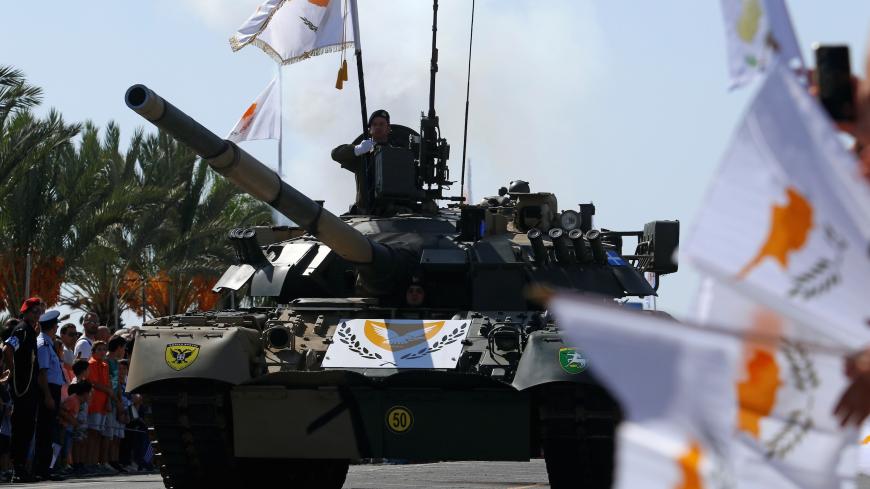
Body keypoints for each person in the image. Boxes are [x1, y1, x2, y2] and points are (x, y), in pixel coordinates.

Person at [2, 297, 44, 482]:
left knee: (27, 428)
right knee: (21, 428)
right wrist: (11, 372)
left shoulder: (29, 331)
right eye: (34, 311)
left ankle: (21, 467)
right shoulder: (22, 329)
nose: (37, 315)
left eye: (39, 311)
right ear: (25, 312)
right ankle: (17, 469)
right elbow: (8, 348)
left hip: (29, 387)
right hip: (22, 388)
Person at [330, 109, 394, 212]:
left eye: (382, 124)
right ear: (370, 130)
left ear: (388, 128)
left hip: (390, 211)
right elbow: (335, 154)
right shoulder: (362, 154)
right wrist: (357, 149)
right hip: (365, 211)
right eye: (374, 124)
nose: (378, 127)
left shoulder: (396, 155)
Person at [33, 310, 66, 480]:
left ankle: (46, 467)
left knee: (49, 430)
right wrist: (47, 396)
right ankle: (42, 468)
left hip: (53, 389)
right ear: (53, 327)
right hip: (48, 390)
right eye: (56, 325)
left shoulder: (48, 343)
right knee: (45, 431)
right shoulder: (43, 344)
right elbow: (43, 373)